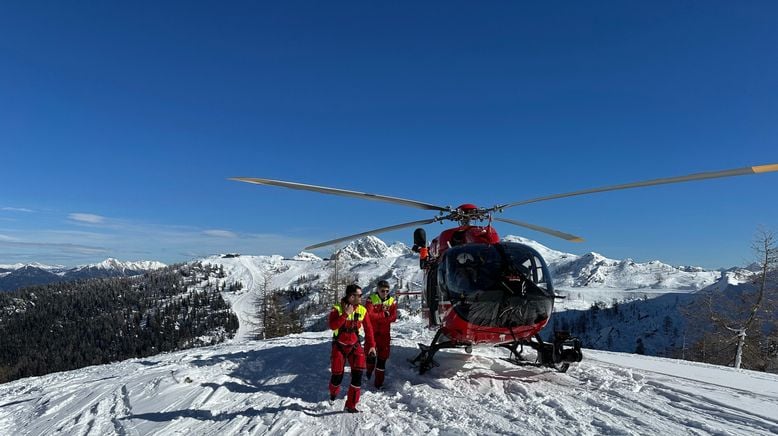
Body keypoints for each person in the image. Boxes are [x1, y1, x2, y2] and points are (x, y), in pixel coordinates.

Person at [328, 283, 376, 413]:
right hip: (339, 346)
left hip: (354, 346)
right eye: (359, 295)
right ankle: (333, 392)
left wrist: (371, 345)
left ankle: (351, 405)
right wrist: (345, 314)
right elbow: (332, 326)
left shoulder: (362, 310)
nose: (361, 297)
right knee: (337, 375)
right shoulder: (337, 309)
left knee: (358, 375)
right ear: (351, 296)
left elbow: (369, 329)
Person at [364, 280, 397, 389]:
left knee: (382, 359)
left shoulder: (391, 301)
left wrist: (382, 319)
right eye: (382, 290)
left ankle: (379, 383)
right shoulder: (371, 299)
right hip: (372, 333)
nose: (385, 293)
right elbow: (369, 315)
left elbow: (393, 317)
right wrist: (383, 315)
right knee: (371, 356)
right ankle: (369, 371)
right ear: (377, 289)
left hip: (384, 334)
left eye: (387, 291)